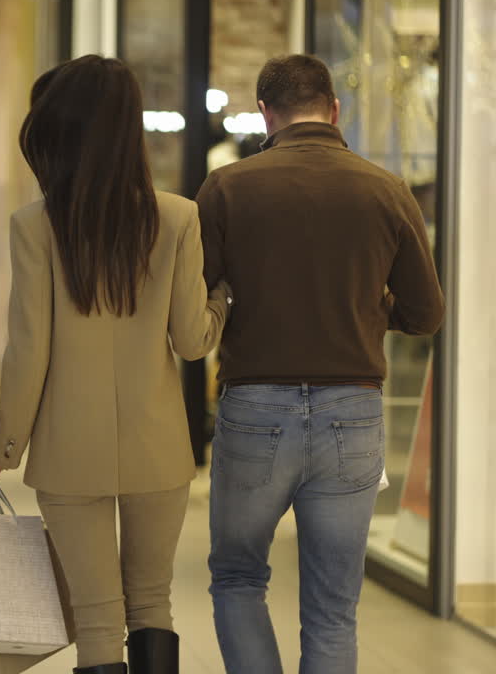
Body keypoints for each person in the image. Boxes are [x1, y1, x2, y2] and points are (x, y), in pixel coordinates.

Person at [0, 55, 232, 674]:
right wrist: (221, 299)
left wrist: (5, 447)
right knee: (152, 602)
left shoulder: (35, 225)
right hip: (159, 446)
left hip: (69, 452)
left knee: (95, 614)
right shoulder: (177, 217)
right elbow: (194, 341)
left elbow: (29, 349)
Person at [198, 54, 444, 674]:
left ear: (264, 113)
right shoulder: (385, 189)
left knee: (237, 577)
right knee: (334, 608)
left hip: (254, 407)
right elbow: (426, 312)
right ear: (336, 109)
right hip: (352, 412)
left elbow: (194, 299)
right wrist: (365, 309)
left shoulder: (228, 188)